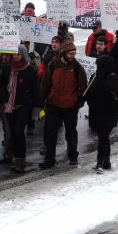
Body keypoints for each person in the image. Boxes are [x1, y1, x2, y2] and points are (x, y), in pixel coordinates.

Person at [39, 40, 87, 169]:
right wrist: (42, 100)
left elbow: (83, 86)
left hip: (70, 106)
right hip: (53, 104)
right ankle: (49, 159)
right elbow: (45, 84)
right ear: (64, 53)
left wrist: (78, 102)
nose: (73, 56)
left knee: (70, 132)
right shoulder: (53, 65)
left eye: (74, 53)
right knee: (51, 132)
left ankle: (73, 156)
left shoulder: (77, 67)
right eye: (70, 53)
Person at [4, 45, 40, 173]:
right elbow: (2, 85)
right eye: (14, 54)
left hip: (24, 106)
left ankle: (21, 161)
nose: (16, 57)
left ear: (23, 55)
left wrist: (36, 112)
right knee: (13, 133)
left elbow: (36, 92)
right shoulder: (9, 69)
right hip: (10, 106)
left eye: (18, 54)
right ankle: (16, 159)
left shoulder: (30, 71)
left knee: (19, 131)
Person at [85, 55, 118, 174]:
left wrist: (99, 78)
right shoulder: (94, 77)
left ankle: (100, 162)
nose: (97, 68)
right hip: (97, 113)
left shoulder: (112, 77)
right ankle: (107, 161)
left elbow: (106, 88)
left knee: (103, 138)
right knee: (103, 138)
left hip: (109, 114)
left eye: (100, 66)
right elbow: (89, 93)